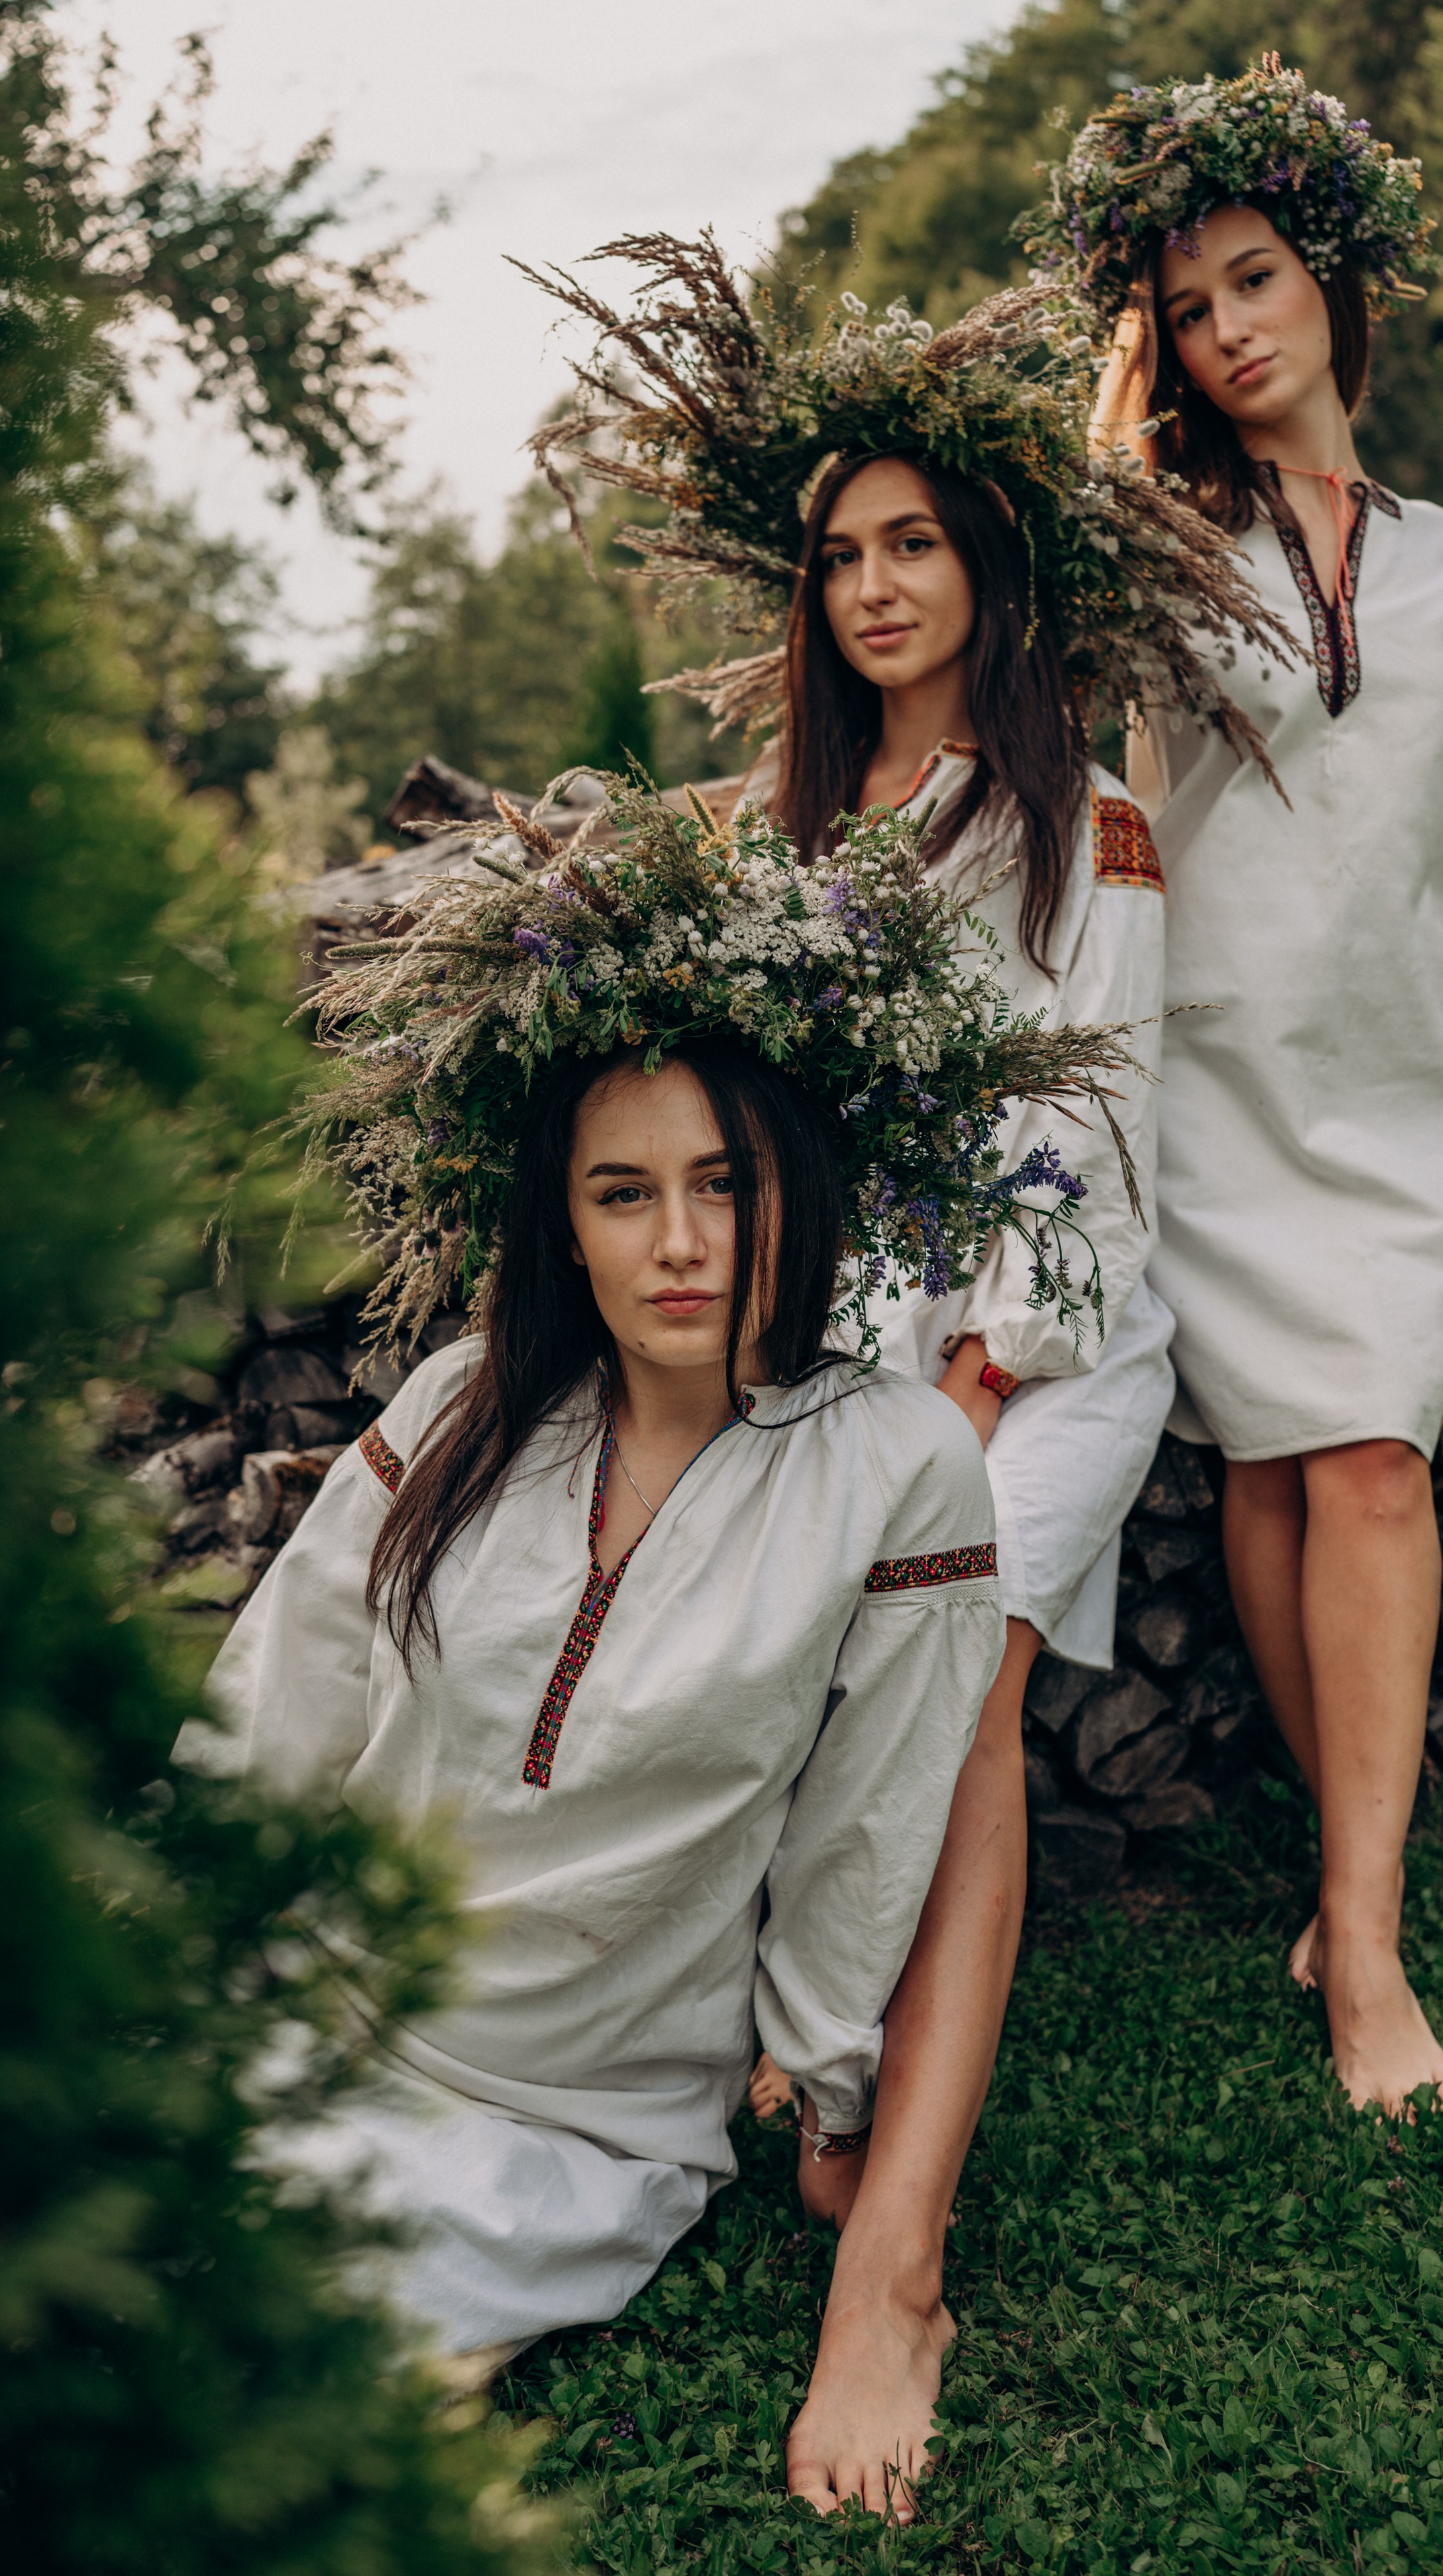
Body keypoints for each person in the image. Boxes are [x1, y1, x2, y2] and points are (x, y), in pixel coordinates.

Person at [523, 237, 1286, 2514]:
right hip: (832, 1344)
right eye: (840, 553)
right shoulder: (778, 851)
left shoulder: (1086, 833)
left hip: (1038, 1353)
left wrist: (956, 1394)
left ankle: (902, 2251)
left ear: (982, 565)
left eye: (913, 541)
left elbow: (1091, 1163)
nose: (874, 584)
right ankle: (748, 2047)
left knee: (945, 1659)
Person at [175, 773, 1136, 2426]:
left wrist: (836, 2103)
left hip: (574, 2118)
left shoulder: (896, 1465)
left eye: (726, 1184)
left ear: (801, 1190)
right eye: (623, 1193)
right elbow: (286, 1702)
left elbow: (867, 1828)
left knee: (290, 2394)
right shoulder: (464, 1404)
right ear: (563, 1219)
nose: (681, 1242)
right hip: (315, 2004)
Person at [1030, 58, 1443, 2119]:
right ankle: (1363, 1909)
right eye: (1193, 307)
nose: (1235, 329)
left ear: (1335, 283)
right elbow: (1057, 660)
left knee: (1375, 1458)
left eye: (1259, 281)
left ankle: (1360, 1907)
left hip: (1403, 1073)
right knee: (1273, 1466)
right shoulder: (1153, 541)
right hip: (1214, 1065)